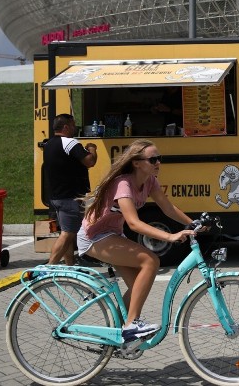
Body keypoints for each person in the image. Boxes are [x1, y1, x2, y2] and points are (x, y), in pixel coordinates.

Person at [77, 139, 197, 343]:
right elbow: (133, 223)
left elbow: (167, 208)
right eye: (153, 159)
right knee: (151, 261)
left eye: (159, 159)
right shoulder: (123, 184)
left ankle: (116, 332)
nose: (158, 163)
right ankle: (131, 324)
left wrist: (193, 224)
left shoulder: (149, 181)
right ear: (137, 163)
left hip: (113, 234)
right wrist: (170, 236)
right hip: (94, 237)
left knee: (137, 288)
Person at [43, 114, 98, 265]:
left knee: (66, 231)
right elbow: (90, 161)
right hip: (70, 197)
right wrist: (92, 148)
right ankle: (50, 267)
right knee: (68, 233)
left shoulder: (49, 144)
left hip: (56, 196)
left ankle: (70, 265)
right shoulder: (69, 142)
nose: (75, 128)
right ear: (66, 127)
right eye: (73, 125)